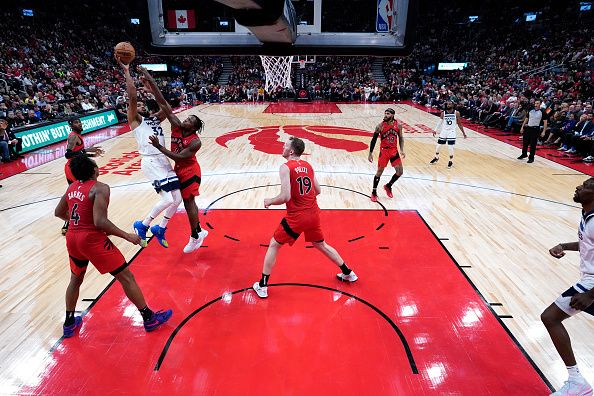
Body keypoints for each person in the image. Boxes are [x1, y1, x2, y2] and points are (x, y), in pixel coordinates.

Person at [54, 155, 172, 338]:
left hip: (72, 238)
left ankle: (69, 323)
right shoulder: (100, 188)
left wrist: (79, 223)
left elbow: (59, 212)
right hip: (91, 240)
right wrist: (127, 236)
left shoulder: (71, 187)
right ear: (94, 170)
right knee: (127, 277)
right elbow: (100, 222)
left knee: (75, 280)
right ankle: (149, 318)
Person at [252, 137, 357, 298]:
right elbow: (318, 190)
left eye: (285, 145)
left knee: (274, 245)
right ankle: (348, 273)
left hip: (297, 217)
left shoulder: (285, 167)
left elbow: (285, 196)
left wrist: (270, 201)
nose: (283, 147)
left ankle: (262, 285)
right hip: (313, 213)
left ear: (291, 151)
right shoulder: (308, 165)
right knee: (320, 244)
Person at [140, 67, 208, 253]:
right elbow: (163, 103)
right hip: (179, 169)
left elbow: (179, 156)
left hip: (191, 171)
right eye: (186, 118)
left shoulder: (195, 142)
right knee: (181, 202)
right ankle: (198, 233)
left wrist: (159, 147)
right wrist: (151, 82)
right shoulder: (176, 125)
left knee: (189, 202)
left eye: (189, 120)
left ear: (194, 127)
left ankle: (196, 235)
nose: (184, 120)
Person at [117, 58, 183, 249]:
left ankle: (160, 228)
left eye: (143, 105)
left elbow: (167, 108)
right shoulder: (135, 121)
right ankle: (143, 224)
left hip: (163, 160)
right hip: (151, 162)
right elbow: (132, 98)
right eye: (139, 106)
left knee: (177, 199)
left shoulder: (154, 119)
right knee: (168, 199)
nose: (140, 106)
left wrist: (151, 88)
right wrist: (127, 73)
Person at [541, 178, 594, 395]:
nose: (579, 187)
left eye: (587, 186)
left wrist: (591, 294)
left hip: (592, 283)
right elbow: (587, 243)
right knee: (551, 318)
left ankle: (578, 382)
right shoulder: (587, 216)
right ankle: (578, 382)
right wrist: (564, 245)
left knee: (550, 317)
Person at [61, 117, 104, 235]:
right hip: (74, 168)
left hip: (74, 167)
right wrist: (87, 151)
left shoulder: (76, 136)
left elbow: (78, 153)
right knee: (86, 195)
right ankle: (95, 223)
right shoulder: (73, 136)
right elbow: (68, 154)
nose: (79, 124)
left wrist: (90, 154)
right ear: (71, 125)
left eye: (79, 121)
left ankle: (68, 222)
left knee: (74, 195)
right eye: (76, 122)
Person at [368, 108, 405, 202]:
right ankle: (374, 192)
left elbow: (401, 138)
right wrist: (370, 153)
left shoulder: (398, 125)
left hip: (394, 151)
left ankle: (388, 186)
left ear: (392, 115)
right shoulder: (380, 126)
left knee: (400, 172)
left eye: (388, 114)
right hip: (384, 151)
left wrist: (401, 149)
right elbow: (374, 140)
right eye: (385, 113)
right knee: (379, 172)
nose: (385, 115)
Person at [429, 101, 467, 168]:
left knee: (450, 147)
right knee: (438, 146)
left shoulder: (456, 113)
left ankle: (450, 161)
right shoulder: (443, 113)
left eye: (450, 104)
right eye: (448, 104)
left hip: (451, 132)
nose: (448, 105)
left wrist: (463, 133)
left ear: (453, 105)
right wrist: (435, 130)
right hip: (444, 131)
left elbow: (459, 124)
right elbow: (439, 123)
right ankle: (436, 157)